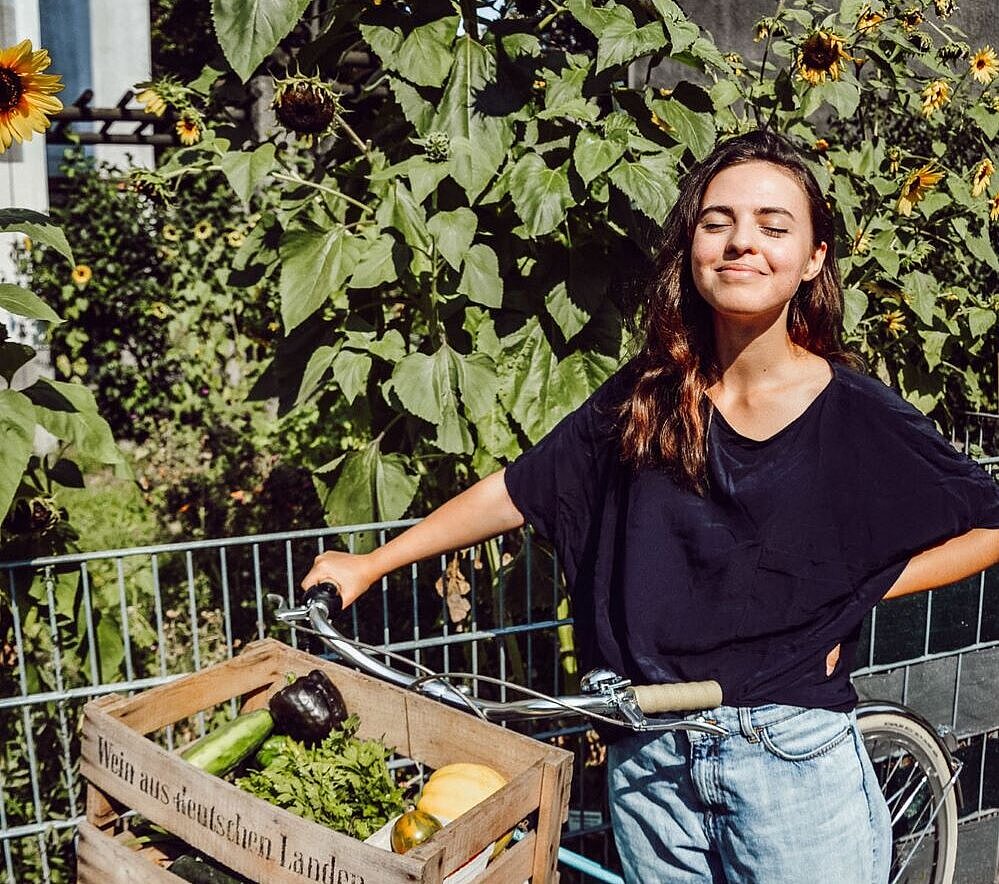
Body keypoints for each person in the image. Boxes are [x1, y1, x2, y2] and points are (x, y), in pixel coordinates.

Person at [302, 130, 999, 883]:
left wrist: (854, 593)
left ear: (812, 259)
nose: (741, 242)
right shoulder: (648, 394)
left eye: (773, 226)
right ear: (690, 247)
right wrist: (372, 563)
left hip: (787, 757)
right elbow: (522, 487)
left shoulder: (856, 414)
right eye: (716, 222)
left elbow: (988, 524)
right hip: (646, 754)